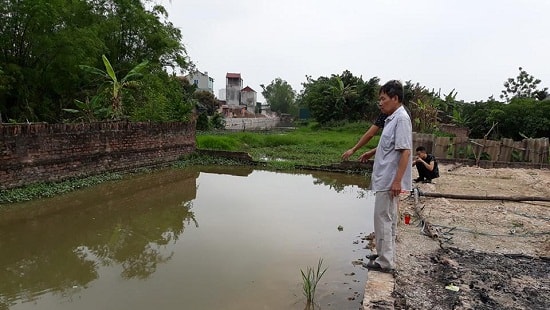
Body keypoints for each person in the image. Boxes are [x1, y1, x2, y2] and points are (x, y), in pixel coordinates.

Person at [364, 80, 412, 273]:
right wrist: (372, 152)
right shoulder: (392, 118)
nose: (381, 103)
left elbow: (405, 151)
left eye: (383, 99)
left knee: (382, 218)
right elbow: (391, 145)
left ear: (395, 98)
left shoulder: (400, 119)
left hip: (389, 179)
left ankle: (385, 262)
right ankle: (385, 253)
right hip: (387, 178)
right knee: (389, 218)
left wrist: (397, 181)